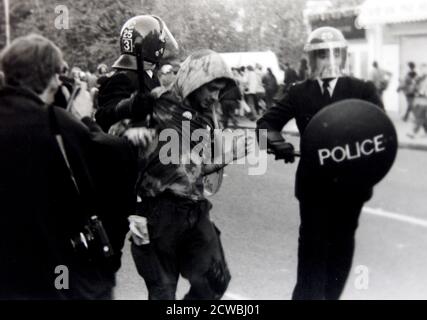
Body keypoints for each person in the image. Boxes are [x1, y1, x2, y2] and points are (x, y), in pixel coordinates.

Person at [0, 34, 137, 299]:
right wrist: (86, 118)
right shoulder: (56, 123)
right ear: (53, 78)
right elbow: (116, 157)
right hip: (50, 272)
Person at [257, 26, 384, 300]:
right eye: (321, 55)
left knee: (340, 253)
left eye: (334, 54)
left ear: (343, 56)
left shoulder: (361, 90)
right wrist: (276, 142)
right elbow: (266, 123)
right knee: (312, 261)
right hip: (314, 189)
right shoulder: (298, 92)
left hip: (350, 190)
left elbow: (381, 132)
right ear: (311, 61)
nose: (329, 61)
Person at [128, 49, 248, 300]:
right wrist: (132, 126)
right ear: (195, 80)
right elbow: (117, 128)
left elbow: (198, 169)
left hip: (194, 210)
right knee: (163, 293)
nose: (215, 97)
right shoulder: (157, 101)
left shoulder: (205, 118)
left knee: (215, 281)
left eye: (219, 91)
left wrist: (225, 157)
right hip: (157, 213)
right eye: (211, 88)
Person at [95, 15, 178, 133]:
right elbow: (103, 116)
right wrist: (129, 105)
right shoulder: (122, 78)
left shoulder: (150, 74)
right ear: (153, 44)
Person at [408, 63, 427, 138]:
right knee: (423, 118)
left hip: (423, 100)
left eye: (423, 69)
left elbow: (423, 91)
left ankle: (413, 133)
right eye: (420, 69)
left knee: (419, 117)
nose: (421, 71)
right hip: (418, 100)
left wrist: (421, 92)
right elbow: (413, 87)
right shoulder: (418, 78)